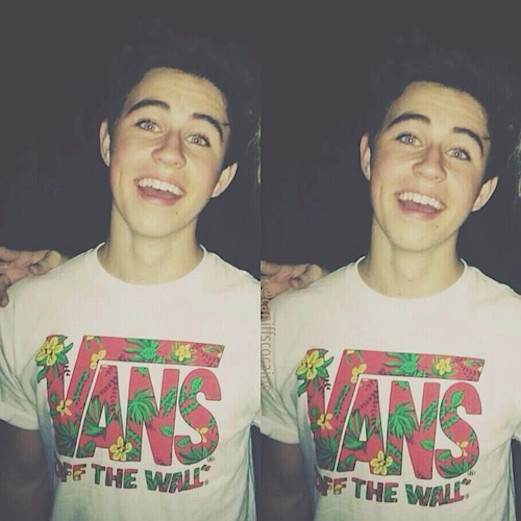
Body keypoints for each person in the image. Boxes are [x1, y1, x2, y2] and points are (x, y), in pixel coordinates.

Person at [0, 34, 260, 521]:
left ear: (223, 177)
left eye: (199, 137)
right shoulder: (23, 308)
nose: (169, 152)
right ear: (107, 142)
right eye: (148, 123)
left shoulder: (260, 317)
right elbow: (22, 479)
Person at [260, 46, 521, 521]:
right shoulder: (286, 320)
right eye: (408, 137)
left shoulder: (513, 329)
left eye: (460, 151)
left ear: (483, 190)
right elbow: (284, 493)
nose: (430, 165)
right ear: (367, 156)